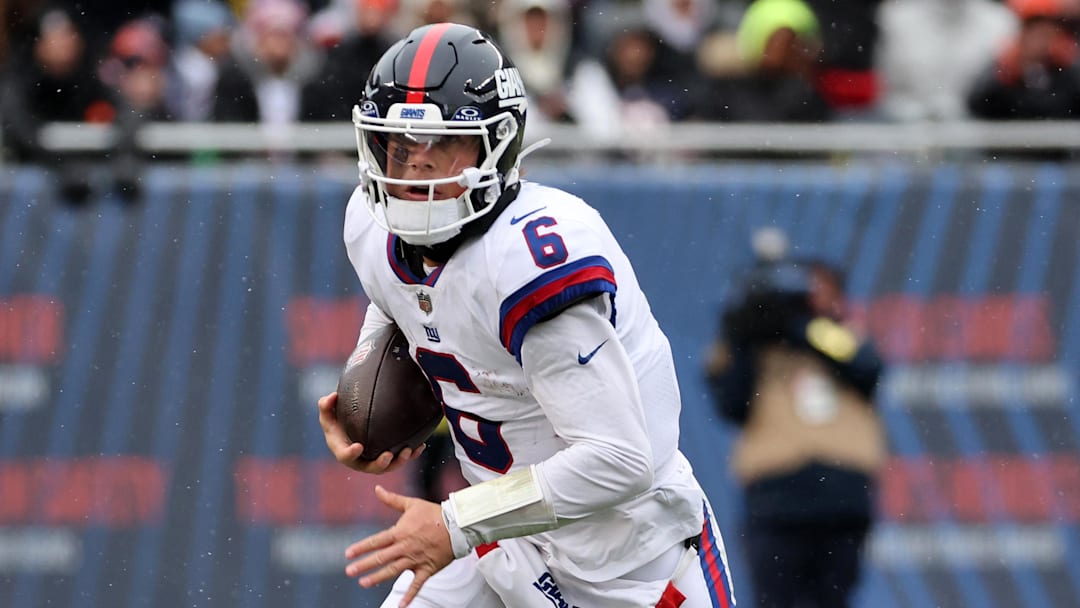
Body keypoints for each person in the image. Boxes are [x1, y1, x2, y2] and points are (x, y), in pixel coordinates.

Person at [316, 22, 736, 608]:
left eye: (441, 148)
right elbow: (397, 300)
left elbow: (619, 460)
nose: (413, 173)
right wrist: (370, 406)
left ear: (497, 144)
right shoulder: (369, 220)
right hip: (504, 542)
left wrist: (455, 523)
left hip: (630, 564)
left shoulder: (531, 258)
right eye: (399, 148)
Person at [704, 239, 886, 608]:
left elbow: (866, 367)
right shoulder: (748, 344)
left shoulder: (837, 335)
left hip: (840, 495)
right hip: (776, 497)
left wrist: (801, 326)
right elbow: (732, 403)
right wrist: (746, 332)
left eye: (820, 290)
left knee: (833, 600)